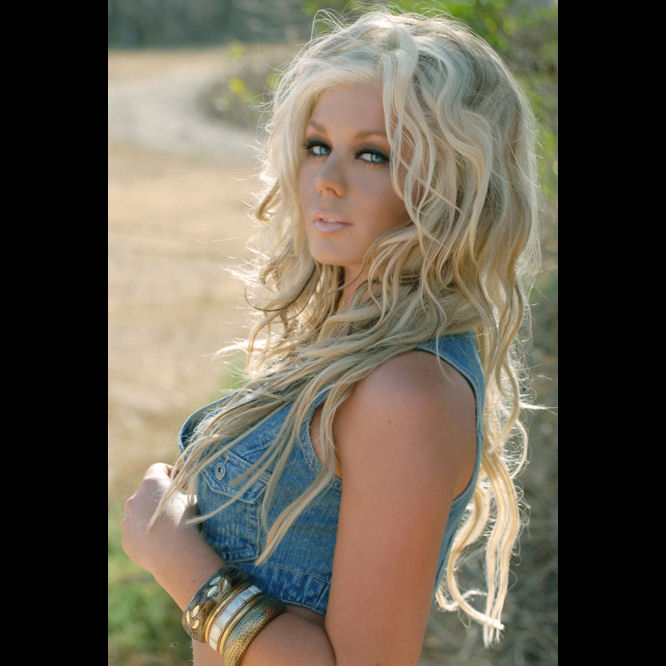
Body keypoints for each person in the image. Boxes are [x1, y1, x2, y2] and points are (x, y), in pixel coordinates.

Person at [121, 9, 541, 665]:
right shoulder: (346, 354)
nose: (327, 180)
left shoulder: (409, 391)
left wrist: (179, 561)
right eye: (317, 145)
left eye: (374, 154)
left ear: (452, 184)